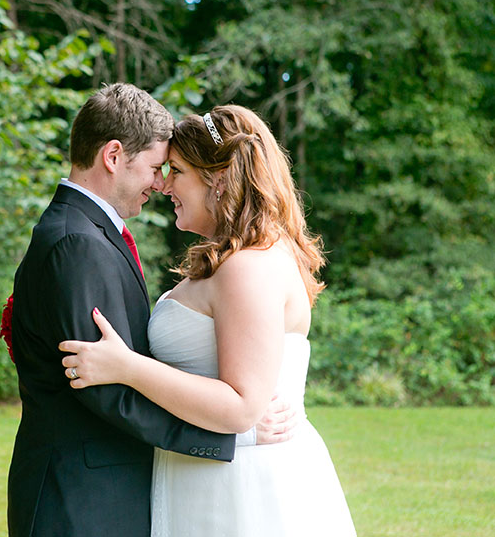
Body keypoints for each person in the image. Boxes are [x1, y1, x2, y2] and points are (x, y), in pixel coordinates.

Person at [6, 86, 296, 537]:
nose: (161, 184)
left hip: (108, 488)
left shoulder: (89, 233)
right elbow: (104, 389)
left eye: (170, 171)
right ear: (114, 155)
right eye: (157, 167)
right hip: (81, 497)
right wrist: (235, 433)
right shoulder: (77, 242)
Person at [59, 105, 357, 536]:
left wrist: (127, 366)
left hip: (241, 487)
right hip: (206, 471)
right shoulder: (233, 260)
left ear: (217, 179)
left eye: (176, 171)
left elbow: (241, 406)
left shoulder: (248, 266)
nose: (164, 185)